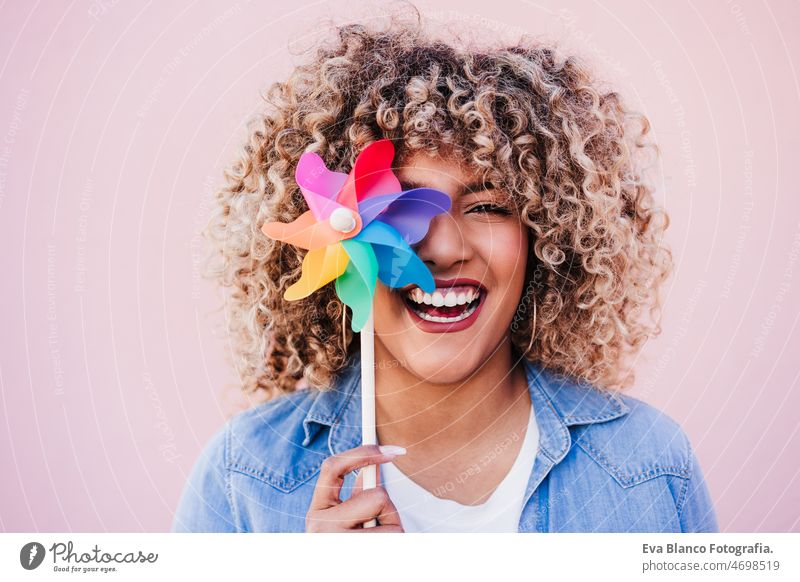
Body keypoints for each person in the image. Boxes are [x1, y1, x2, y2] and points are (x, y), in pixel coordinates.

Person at [171, 10, 719, 533]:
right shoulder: (242, 477)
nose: (443, 249)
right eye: (400, 206)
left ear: (547, 238)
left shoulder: (651, 468)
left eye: (486, 206)